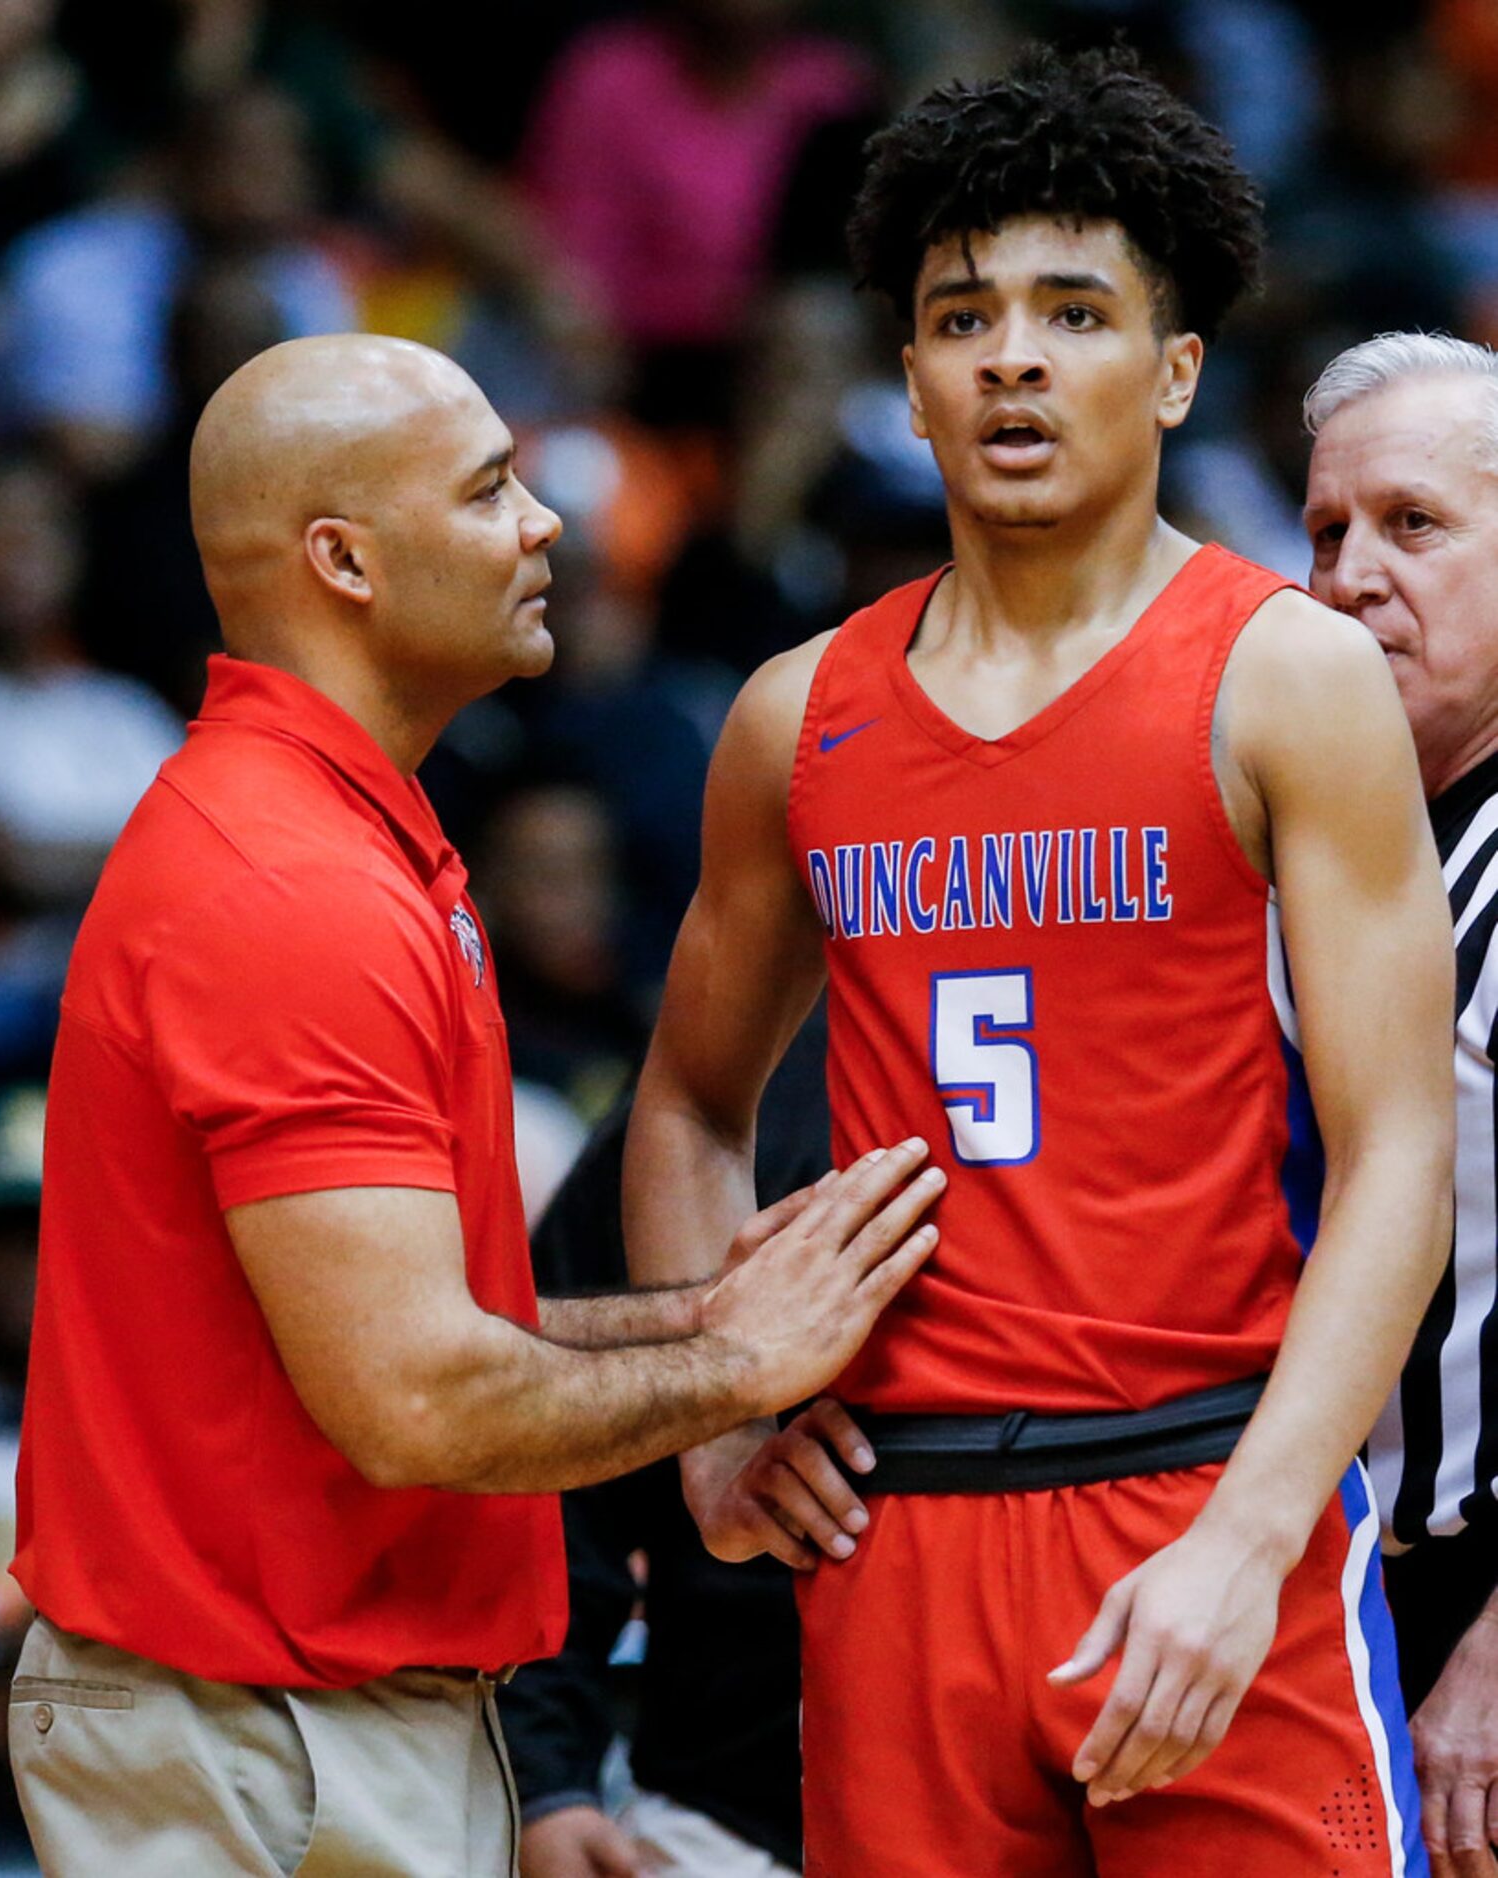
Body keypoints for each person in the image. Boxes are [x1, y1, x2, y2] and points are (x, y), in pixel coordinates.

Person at [623, 46, 1456, 1877]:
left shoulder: (1283, 675)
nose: (1008, 354)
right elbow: (685, 1099)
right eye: (958, 315)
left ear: (1170, 372)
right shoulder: (794, 717)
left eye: (1071, 312)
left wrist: (1248, 1541)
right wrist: (706, 1419)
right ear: (908, 385)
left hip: (1203, 1486)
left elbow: (1401, 1150)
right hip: (893, 1538)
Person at [6, 331, 945, 1878]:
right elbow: (420, 1399)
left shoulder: (345, 835)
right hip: (259, 1735)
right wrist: (731, 1362)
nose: (549, 521)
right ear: (347, 561)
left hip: (304, 1718)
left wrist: (713, 1312)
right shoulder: (287, 883)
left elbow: (433, 1330)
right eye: (491, 486)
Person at [1303, 329, 1498, 1878]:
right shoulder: (1309, 848)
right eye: (1326, 530)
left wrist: (1497, 1654)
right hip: (1333, 1582)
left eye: (1414, 525)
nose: (1354, 573)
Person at [505, 1011, 830, 1878]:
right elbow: (545, 1440)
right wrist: (544, 1779)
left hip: (1093, 1750)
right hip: (726, 1805)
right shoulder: (708, 1096)